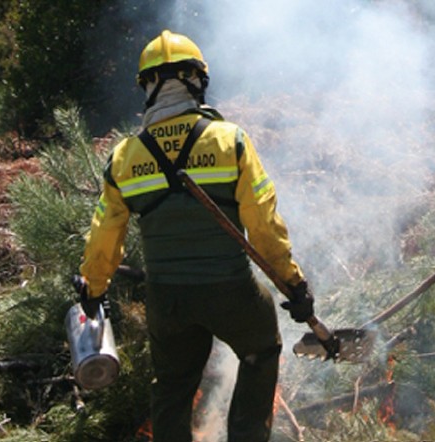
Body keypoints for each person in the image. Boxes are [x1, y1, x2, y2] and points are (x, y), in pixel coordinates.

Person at [75, 30, 316, 442]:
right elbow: (263, 227)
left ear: (147, 88)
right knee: (261, 351)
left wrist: (93, 289)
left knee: (172, 386)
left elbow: (104, 236)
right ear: (196, 81)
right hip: (232, 292)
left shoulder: (124, 158)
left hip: (167, 300)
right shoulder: (230, 141)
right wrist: (293, 285)